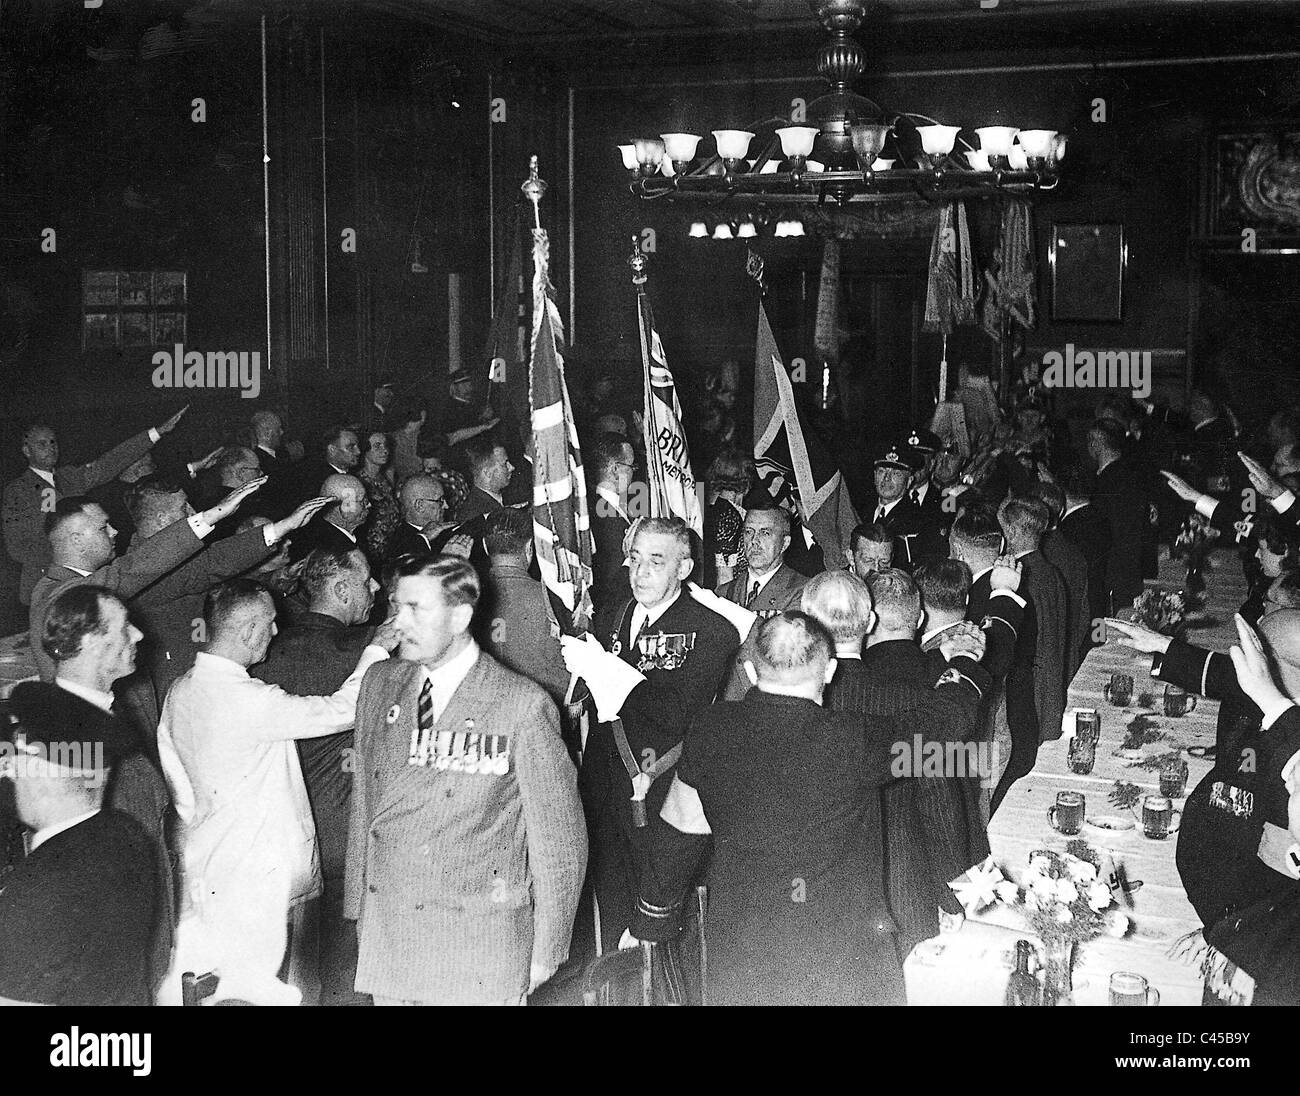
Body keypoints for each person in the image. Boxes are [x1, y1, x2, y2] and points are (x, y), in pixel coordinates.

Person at [630, 612, 907, 1005]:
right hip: (842, 967)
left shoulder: (710, 728)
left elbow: (678, 835)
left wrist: (650, 922)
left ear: (747, 668)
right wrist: (964, 671)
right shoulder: (857, 739)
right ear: (829, 671)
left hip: (742, 960)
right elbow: (945, 731)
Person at [346, 554, 585, 1005]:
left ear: (460, 617)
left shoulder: (521, 705)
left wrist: (546, 951)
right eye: (397, 607)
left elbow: (560, 843)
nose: (398, 622)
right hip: (393, 932)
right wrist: (359, 912)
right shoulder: (379, 684)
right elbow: (366, 804)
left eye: (416, 609)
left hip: (475, 945)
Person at [157, 579, 396, 1005]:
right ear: (247, 630)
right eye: (268, 624)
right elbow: (343, 710)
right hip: (266, 876)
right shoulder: (248, 699)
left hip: (211, 868)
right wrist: (376, 650)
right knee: (286, 989)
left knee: (230, 986)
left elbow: (181, 792)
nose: (273, 632)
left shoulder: (180, 691)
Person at [562, 516, 739, 951]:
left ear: (682, 569)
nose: (639, 573)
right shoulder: (612, 614)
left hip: (662, 788)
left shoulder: (712, 630)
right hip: (605, 781)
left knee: (657, 920)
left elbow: (678, 713)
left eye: (655, 562)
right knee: (605, 905)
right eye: (634, 559)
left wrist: (612, 674)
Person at [1107, 610, 1300, 934]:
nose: (1243, 658)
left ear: (1275, 668)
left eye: (1257, 650)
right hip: (1206, 884)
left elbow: (1281, 888)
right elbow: (1221, 673)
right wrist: (1161, 644)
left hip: (1239, 916)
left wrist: (1224, 931)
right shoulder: (1274, 695)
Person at [252, 547, 381, 1006]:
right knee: (348, 967)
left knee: (290, 967)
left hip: (281, 835)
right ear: (342, 590)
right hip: (346, 833)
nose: (376, 589)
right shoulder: (368, 650)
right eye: (367, 582)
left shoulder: (267, 651)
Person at [35, 585, 174, 993]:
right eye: (125, 627)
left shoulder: (107, 715)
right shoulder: (62, 736)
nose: (139, 636)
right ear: (92, 643)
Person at [0, 680, 159, 1005]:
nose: (10, 772)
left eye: (15, 760)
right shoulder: (127, 835)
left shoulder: (35, 890)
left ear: (38, 768)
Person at [28, 478, 265, 682]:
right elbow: (129, 571)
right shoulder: (56, 594)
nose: (114, 532)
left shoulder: (62, 585)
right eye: (103, 527)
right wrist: (211, 516)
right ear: (77, 540)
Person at [125, 479, 331, 709]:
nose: (194, 513)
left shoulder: (178, 562)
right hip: (185, 695)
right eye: (185, 508)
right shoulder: (141, 576)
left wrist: (274, 581)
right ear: (162, 519)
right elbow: (212, 566)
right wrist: (282, 527)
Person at [3, 407, 187, 605]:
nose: (51, 448)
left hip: (87, 579)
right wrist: (63, 557)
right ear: (26, 450)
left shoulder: (71, 476)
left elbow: (108, 463)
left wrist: (155, 433)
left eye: (53, 442)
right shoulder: (16, 491)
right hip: (46, 587)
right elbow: (17, 546)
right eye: (42, 444)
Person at [993, 496, 1067, 809]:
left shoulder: (1023, 581)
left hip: (1033, 702)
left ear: (1007, 534)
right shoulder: (1051, 572)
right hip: (1050, 694)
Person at [478, 508, 570, 710]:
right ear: (530, 547)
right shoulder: (551, 600)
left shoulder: (468, 598)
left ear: (485, 546)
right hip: (538, 712)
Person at [1087, 419, 1150, 614]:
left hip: (1114, 574)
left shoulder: (1110, 482)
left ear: (1096, 443)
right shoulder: (1130, 474)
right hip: (1129, 568)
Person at [588, 432, 634, 614]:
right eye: (631, 466)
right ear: (616, 469)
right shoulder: (605, 516)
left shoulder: (599, 505)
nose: (633, 473)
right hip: (613, 610)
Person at [861, 444, 926, 571]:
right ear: (874, 476)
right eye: (882, 471)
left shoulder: (918, 519)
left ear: (909, 481)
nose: (886, 479)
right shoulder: (860, 510)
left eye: (896, 473)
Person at [290, 473, 371, 563]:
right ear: (344, 510)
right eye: (363, 501)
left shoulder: (342, 535)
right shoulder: (335, 553)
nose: (369, 505)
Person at [358, 431, 399, 564]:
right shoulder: (360, 482)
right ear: (365, 450)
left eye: (385, 445)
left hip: (389, 548)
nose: (385, 450)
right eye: (377, 446)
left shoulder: (384, 479)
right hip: (370, 553)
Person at [455, 435, 513, 523]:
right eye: (505, 464)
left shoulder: (505, 497)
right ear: (487, 473)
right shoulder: (475, 515)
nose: (512, 467)